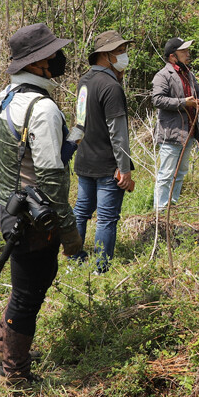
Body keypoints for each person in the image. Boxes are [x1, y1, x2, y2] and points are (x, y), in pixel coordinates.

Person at [0, 23, 85, 385]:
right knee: (31, 291)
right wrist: (69, 230)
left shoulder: (7, 97)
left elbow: (20, 155)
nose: (60, 59)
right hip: (35, 216)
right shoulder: (42, 109)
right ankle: (16, 374)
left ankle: (3, 351)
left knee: (25, 284)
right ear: (39, 62)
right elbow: (51, 178)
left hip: (11, 206)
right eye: (54, 54)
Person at [72, 30, 136, 272]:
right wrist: (124, 169)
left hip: (85, 160)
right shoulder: (111, 87)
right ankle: (101, 269)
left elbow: (79, 122)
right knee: (106, 218)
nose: (124, 56)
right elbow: (118, 134)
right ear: (106, 55)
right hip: (108, 165)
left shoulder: (84, 81)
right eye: (120, 51)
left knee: (81, 213)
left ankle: (74, 263)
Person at [151, 37, 199, 213]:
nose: (188, 54)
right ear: (173, 56)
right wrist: (183, 102)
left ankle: (172, 207)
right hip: (171, 133)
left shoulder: (188, 74)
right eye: (184, 52)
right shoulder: (163, 75)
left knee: (180, 172)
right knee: (166, 174)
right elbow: (157, 99)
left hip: (188, 131)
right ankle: (160, 211)